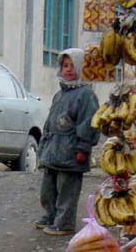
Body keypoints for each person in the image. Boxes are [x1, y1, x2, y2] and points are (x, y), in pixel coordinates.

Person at [36, 48, 100, 235]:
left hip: (71, 152)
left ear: (81, 68)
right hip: (53, 150)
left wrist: (83, 147)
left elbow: (89, 123)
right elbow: (50, 121)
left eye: (73, 66)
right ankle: (50, 215)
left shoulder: (86, 95)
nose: (69, 70)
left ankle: (64, 223)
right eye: (65, 66)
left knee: (66, 190)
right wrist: (44, 144)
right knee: (48, 189)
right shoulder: (60, 94)